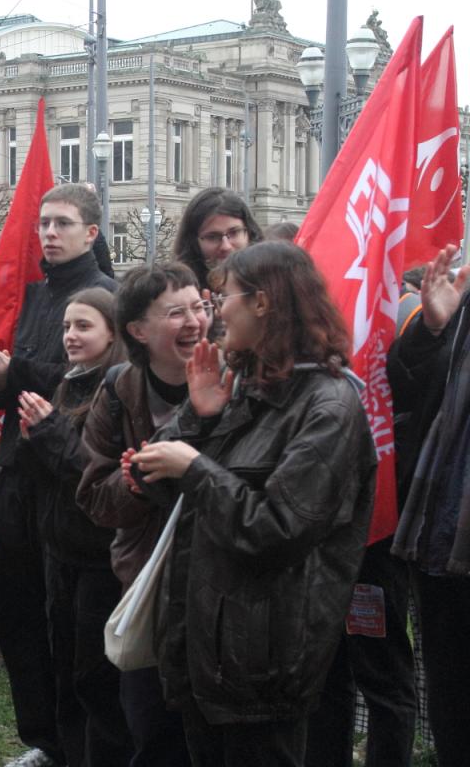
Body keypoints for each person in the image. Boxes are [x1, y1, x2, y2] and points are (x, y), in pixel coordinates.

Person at [130, 241, 375, 766]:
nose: (216, 311)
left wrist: (195, 468)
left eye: (225, 297)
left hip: (264, 661)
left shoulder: (329, 405)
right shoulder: (242, 384)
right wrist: (200, 418)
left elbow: (277, 529)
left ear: (263, 303)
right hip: (206, 648)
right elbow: (147, 478)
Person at [0, 183, 115, 767]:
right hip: (20, 472)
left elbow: (93, 380)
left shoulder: (104, 294)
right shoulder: (34, 292)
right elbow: (28, 384)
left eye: (63, 223)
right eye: (43, 223)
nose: (48, 232)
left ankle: (73, 744)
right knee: (21, 611)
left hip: (67, 479)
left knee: (62, 623)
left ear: (91, 233)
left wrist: (16, 370)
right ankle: (43, 739)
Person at [77, 263, 209, 767]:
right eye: (176, 313)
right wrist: (138, 480)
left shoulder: (237, 378)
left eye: (199, 307)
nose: (195, 321)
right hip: (147, 580)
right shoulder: (118, 389)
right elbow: (94, 496)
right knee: (152, 727)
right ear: (137, 331)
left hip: (219, 582)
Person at [18, 287, 133, 765]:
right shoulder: (70, 382)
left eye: (84, 326)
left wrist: (48, 432)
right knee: (63, 668)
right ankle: (67, 753)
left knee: (95, 676)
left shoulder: (120, 390)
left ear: (113, 334)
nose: (70, 336)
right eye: (67, 326)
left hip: (98, 555)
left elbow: (94, 473)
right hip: (60, 547)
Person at [387, 242, 470, 765]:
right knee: (453, 698)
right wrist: (430, 329)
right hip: (446, 535)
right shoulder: (458, 304)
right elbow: (407, 391)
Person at [171, 187, 263, 292]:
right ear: (193, 242)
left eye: (234, 233)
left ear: (249, 232)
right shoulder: (180, 298)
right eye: (212, 237)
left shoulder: (274, 289)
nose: (226, 246)